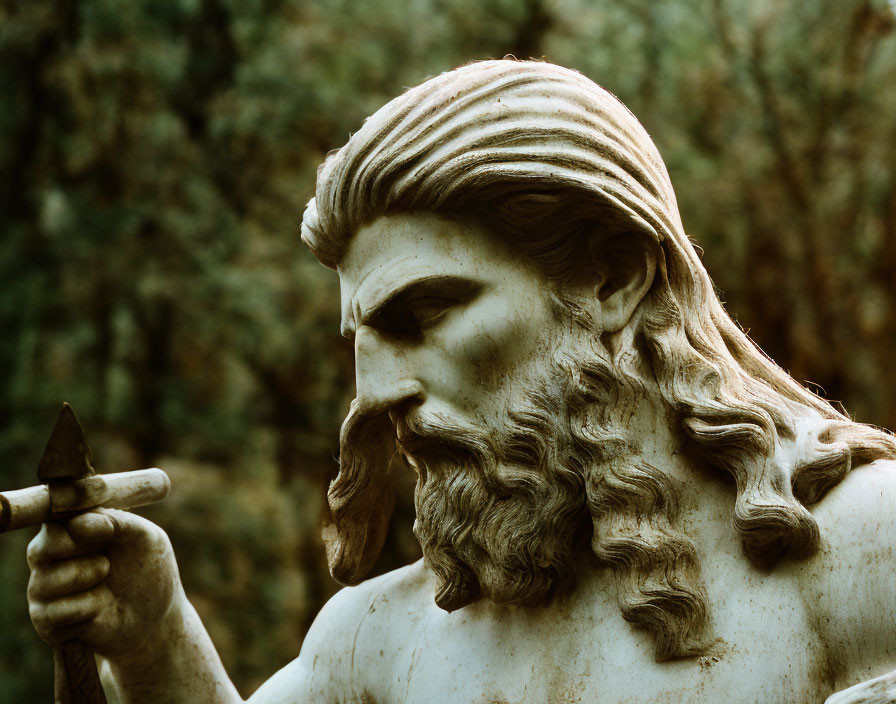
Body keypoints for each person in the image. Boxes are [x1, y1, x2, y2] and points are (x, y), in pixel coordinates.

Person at [26, 60, 896, 703]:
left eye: (422, 316)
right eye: (359, 340)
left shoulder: (860, 556)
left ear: (611, 280)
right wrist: (152, 635)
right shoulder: (377, 646)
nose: (377, 395)